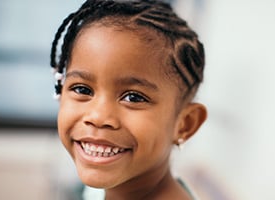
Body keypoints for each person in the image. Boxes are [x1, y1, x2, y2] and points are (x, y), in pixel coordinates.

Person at [49, 0, 207, 199]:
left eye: (133, 97)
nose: (97, 116)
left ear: (185, 124)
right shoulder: (104, 188)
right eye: (82, 89)